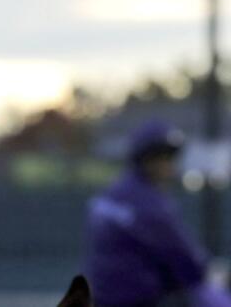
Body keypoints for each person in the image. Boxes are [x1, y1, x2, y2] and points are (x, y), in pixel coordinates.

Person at [84, 119, 222, 307]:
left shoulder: (114, 192)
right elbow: (186, 261)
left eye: (170, 157)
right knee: (207, 293)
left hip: (103, 298)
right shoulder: (147, 202)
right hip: (137, 300)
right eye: (161, 157)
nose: (168, 164)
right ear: (144, 159)